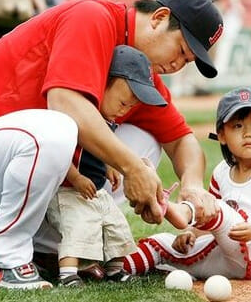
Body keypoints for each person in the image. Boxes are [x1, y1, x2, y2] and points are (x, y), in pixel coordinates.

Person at [0, 0, 223, 290]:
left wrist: (193, 186)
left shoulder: (139, 73)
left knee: (145, 140)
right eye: (182, 50)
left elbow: (181, 139)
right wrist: (133, 169)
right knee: (60, 130)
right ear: (159, 18)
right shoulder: (92, 17)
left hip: (15, 158)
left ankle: (52, 250)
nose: (177, 65)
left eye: (186, 62)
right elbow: (64, 103)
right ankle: (3, 257)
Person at [123, 87, 251, 280]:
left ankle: (171, 208)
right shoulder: (221, 171)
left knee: (216, 206)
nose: (248, 133)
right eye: (238, 126)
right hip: (230, 256)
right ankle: (114, 270)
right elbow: (206, 217)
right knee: (162, 243)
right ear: (222, 135)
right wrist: (191, 233)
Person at [45, 45, 168, 287]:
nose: (125, 109)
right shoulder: (77, 114)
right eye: (123, 101)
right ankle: (67, 274)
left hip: (96, 191)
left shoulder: (106, 119)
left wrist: (109, 165)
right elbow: (57, 153)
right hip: (69, 190)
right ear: (103, 84)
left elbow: (98, 150)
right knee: (78, 226)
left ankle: (115, 269)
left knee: (116, 226)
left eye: (131, 107)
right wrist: (77, 178)